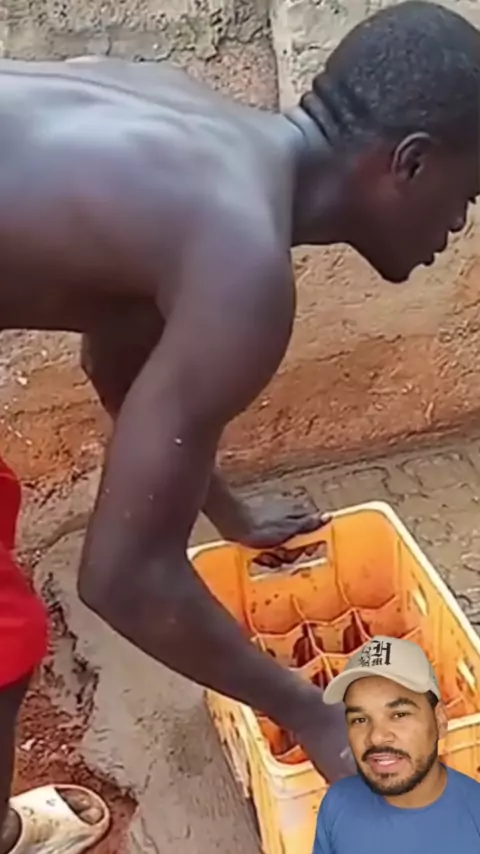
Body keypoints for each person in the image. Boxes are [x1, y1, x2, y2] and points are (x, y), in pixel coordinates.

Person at [0, 0, 478, 848]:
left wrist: (229, 512)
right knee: (4, 632)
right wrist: (314, 713)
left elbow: (118, 361)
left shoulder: (199, 134)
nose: (460, 225)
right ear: (409, 163)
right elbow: (122, 579)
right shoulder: (244, 262)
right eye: (466, 194)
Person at [313, 635, 480, 853]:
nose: (376, 737)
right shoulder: (337, 804)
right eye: (360, 719)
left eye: (399, 715)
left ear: (439, 721)